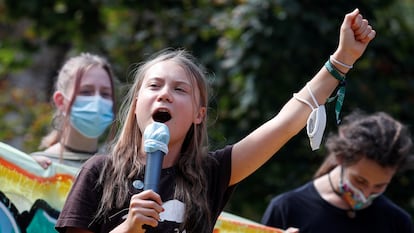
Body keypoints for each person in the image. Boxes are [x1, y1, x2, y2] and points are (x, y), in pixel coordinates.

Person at [56, 8, 376, 233]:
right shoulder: (98, 172)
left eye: (180, 89)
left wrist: (343, 59)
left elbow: (285, 123)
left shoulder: (211, 174)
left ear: (199, 115)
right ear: (137, 103)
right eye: (154, 86)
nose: (165, 94)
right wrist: (128, 227)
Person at [261, 110, 414, 233]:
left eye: (379, 186)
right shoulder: (287, 208)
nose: (366, 194)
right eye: (359, 181)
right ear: (341, 158)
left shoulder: (397, 222)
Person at [31, 53, 117, 169]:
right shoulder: (39, 165)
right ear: (61, 101)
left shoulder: (115, 170)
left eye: (105, 94)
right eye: (86, 92)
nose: (97, 101)